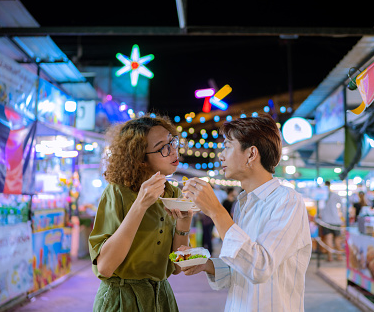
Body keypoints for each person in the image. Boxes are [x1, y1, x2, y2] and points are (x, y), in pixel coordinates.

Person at [181, 114, 312, 312]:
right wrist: (207, 265)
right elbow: (242, 268)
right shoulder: (244, 203)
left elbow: (260, 267)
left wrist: (217, 211)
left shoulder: (287, 201)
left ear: (251, 154)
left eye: (227, 146)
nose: (221, 155)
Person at [88, 115, 193, 312]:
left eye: (172, 141)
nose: (173, 150)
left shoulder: (173, 194)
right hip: (121, 298)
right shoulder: (117, 192)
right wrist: (140, 206)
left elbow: (178, 267)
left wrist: (184, 225)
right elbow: (105, 267)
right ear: (141, 160)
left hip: (161, 297)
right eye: (163, 147)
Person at [319, 181, 343, 262]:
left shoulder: (321, 196)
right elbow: (342, 205)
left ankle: (330, 257)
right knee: (337, 239)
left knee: (328, 238)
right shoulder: (334, 195)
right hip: (335, 220)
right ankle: (339, 256)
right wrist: (342, 215)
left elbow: (319, 209)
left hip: (326, 221)